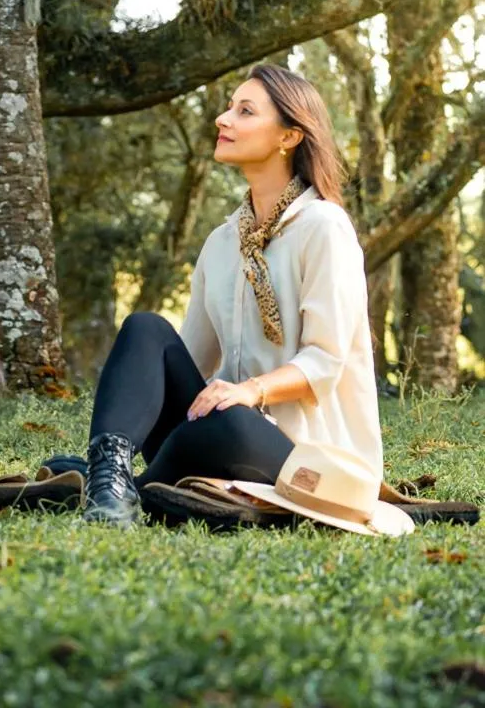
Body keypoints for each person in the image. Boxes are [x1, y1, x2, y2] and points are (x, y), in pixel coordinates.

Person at [81, 63, 382, 527]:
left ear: (289, 137)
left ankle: (126, 486)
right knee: (146, 329)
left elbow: (324, 362)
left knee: (233, 421)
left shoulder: (325, 227)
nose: (223, 119)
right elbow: (188, 361)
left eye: (245, 111)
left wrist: (249, 391)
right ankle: (108, 481)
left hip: (307, 457)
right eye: (228, 108)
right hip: (215, 436)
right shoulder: (223, 242)